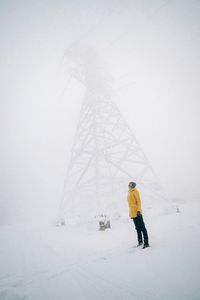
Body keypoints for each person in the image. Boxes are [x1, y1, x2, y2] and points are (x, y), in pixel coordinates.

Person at [127, 182, 149, 248]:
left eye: (130, 185)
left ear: (133, 186)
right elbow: (130, 204)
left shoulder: (135, 191)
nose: (129, 186)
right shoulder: (129, 192)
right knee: (137, 228)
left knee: (142, 228)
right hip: (133, 214)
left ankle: (146, 243)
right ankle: (140, 241)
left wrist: (139, 210)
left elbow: (138, 201)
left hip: (137, 213)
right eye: (128, 185)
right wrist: (130, 214)